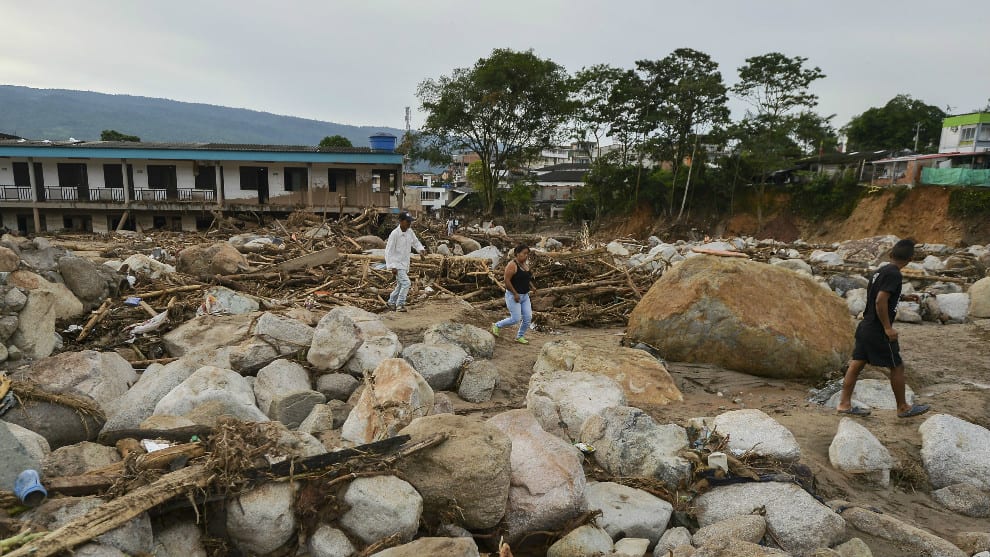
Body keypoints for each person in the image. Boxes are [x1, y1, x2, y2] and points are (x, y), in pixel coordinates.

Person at [837, 239, 930, 418]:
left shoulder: (880, 271)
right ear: (911, 259)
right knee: (897, 366)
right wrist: (888, 328)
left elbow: (881, 295)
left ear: (890, 255)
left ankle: (843, 404)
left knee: (856, 365)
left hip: (866, 325)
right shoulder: (894, 274)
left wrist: (904, 297)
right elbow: (880, 300)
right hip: (878, 330)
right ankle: (903, 407)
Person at [491, 244, 535, 344]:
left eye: (527, 254)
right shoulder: (512, 265)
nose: (526, 256)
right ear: (517, 254)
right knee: (515, 319)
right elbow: (507, 281)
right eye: (524, 253)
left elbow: (526, 278)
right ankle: (497, 325)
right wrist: (515, 294)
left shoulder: (525, 264)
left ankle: (520, 336)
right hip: (513, 295)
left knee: (528, 318)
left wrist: (532, 287)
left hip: (525, 296)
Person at [385, 212, 425, 312]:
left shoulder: (409, 232)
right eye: (407, 221)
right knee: (406, 283)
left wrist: (421, 249)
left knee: (400, 284)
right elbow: (388, 251)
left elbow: (415, 242)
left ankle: (391, 302)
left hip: (405, 263)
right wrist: (392, 266)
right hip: (397, 264)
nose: (409, 224)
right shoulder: (394, 234)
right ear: (401, 221)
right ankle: (400, 304)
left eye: (410, 222)